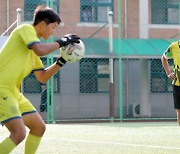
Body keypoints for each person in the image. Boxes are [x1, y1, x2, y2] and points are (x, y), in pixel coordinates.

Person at [0, 5, 80, 154]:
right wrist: (62, 42)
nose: (53, 31)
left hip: (13, 93)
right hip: (1, 88)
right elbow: (41, 50)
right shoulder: (25, 30)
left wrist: (62, 60)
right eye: (53, 27)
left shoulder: (33, 51)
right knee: (19, 133)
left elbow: (42, 76)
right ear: (43, 23)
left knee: (39, 127)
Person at [161, 40, 180, 126]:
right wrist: (168, 73)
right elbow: (164, 58)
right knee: (179, 111)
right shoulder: (174, 46)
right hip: (178, 84)